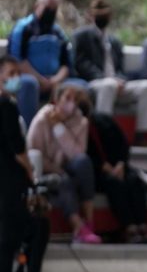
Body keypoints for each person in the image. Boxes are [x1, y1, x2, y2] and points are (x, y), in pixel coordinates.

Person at [0, 55, 52, 272]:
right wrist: (31, 175)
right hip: (9, 179)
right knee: (10, 234)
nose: (15, 78)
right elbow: (18, 149)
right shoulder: (6, 107)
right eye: (10, 72)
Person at [73, 0, 147, 144]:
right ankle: (103, 133)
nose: (102, 18)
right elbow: (80, 63)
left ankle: (141, 135)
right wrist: (105, 79)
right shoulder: (81, 36)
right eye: (98, 14)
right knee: (108, 86)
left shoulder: (115, 41)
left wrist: (120, 80)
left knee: (146, 86)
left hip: (116, 84)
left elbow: (120, 68)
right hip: (96, 83)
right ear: (91, 16)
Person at [26, 84, 102, 244]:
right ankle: (78, 227)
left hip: (70, 168)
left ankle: (89, 222)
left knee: (84, 162)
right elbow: (34, 156)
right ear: (56, 100)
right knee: (63, 181)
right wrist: (59, 171)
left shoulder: (81, 122)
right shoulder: (41, 120)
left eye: (75, 99)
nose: (72, 103)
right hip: (46, 171)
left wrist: (58, 128)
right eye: (67, 98)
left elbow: (77, 153)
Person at [7, 0, 81, 125]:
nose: (50, 11)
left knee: (80, 86)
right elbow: (17, 61)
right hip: (20, 79)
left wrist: (54, 81)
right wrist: (40, 80)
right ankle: (30, 136)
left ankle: (71, 137)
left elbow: (66, 64)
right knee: (29, 84)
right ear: (37, 6)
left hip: (54, 81)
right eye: (48, 7)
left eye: (54, 8)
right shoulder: (23, 28)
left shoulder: (58, 33)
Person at [87, 109, 147, 243]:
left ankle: (143, 225)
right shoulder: (78, 128)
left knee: (134, 180)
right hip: (97, 172)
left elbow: (123, 144)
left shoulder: (104, 121)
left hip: (119, 165)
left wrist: (121, 164)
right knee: (114, 184)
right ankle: (130, 228)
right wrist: (104, 167)